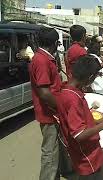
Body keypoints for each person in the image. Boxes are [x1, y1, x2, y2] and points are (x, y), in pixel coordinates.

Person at [55, 55, 103, 179]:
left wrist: (100, 121)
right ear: (90, 77)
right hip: (87, 157)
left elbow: (79, 122)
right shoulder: (72, 99)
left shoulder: (66, 91)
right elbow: (79, 135)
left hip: (89, 153)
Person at [29, 27, 61, 180]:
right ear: (55, 43)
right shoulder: (41, 61)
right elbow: (45, 93)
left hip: (52, 111)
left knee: (55, 149)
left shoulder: (44, 58)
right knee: (49, 152)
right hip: (49, 113)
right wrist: (62, 108)